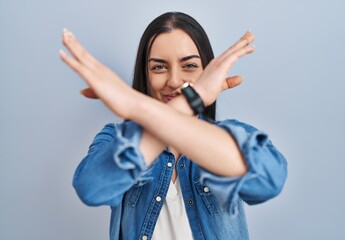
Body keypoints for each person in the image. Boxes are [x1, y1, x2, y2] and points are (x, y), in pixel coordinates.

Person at [60, 12, 287, 240]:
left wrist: (135, 104)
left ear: (207, 71)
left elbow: (268, 181)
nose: (174, 81)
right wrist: (189, 101)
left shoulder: (229, 137)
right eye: (159, 67)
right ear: (145, 74)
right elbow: (91, 188)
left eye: (189, 65)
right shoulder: (117, 137)